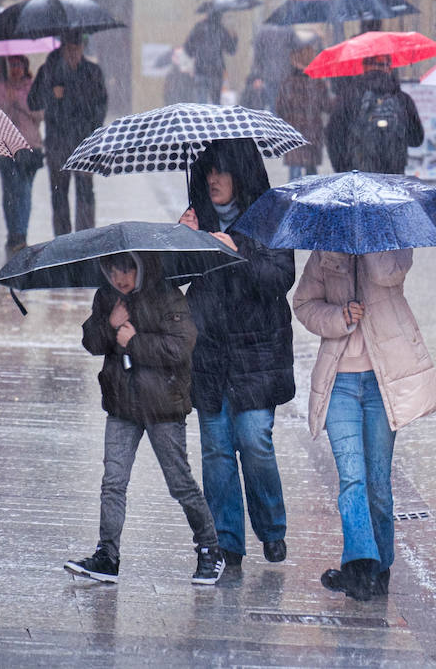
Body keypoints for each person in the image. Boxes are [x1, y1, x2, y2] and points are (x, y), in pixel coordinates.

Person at [292, 248, 436, 601]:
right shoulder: (326, 254)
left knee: (377, 482)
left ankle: (380, 567)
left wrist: (367, 253)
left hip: (382, 380)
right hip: (339, 381)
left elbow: (390, 275)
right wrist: (338, 316)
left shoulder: (392, 247)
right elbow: (303, 304)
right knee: (351, 478)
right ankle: (359, 568)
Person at [66, 252, 223, 585]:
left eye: (126, 270)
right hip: (122, 403)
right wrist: (108, 325)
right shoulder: (107, 296)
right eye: (112, 270)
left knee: (179, 482)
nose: (120, 278)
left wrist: (134, 342)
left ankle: (210, 549)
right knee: (113, 482)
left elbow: (180, 347)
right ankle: (107, 556)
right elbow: (91, 343)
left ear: (139, 267)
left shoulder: (167, 296)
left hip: (163, 404)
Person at [179, 140, 296, 569]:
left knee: (254, 440)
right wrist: (181, 240)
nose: (213, 179)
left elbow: (280, 277)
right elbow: (168, 282)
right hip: (209, 355)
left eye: (223, 171)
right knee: (216, 451)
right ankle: (227, 540)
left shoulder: (270, 218)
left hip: (257, 354)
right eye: (208, 171)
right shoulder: (195, 221)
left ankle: (272, 529)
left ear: (242, 174)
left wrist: (236, 250)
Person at [28, 31, 107, 236]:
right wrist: (51, 94)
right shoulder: (49, 71)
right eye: (69, 48)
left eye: (77, 48)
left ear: (82, 48)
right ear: (62, 49)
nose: (73, 52)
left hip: (85, 144)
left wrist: (93, 134)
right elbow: (32, 101)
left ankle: (85, 238)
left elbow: (101, 105)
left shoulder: (92, 72)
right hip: (57, 143)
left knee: (85, 192)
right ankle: (62, 240)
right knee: (58, 194)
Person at [325, 56, 424, 175]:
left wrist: (343, 169)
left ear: (364, 67)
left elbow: (333, 138)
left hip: (358, 179)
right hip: (394, 180)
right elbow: (416, 139)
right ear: (389, 68)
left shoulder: (347, 99)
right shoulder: (403, 100)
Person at [0, 55, 44, 255]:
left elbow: (39, 115)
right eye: (12, 65)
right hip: (5, 147)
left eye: (19, 65)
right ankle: (13, 232)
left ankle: (21, 234)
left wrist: (20, 103)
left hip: (30, 147)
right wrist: (8, 104)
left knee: (24, 189)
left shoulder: (33, 87)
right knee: (10, 190)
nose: (16, 69)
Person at [274, 31, 329, 180]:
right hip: (313, 135)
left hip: (294, 135)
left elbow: (280, 109)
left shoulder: (287, 83)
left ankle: (293, 201)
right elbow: (326, 106)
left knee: (294, 177)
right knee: (312, 177)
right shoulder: (318, 83)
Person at [183, 14, 237, 104]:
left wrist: (196, 54)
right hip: (216, 71)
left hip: (200, 70)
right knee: (215, 104)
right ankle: (214, 117)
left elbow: (187, 48)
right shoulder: (221, 30)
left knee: (201, 103)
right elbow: (231, 50)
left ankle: (201, 117)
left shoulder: (198, 28)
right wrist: (234, 38)